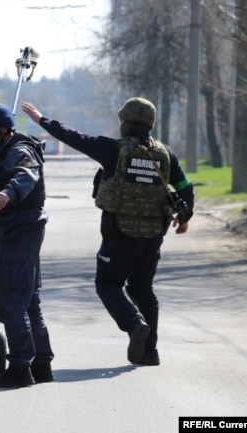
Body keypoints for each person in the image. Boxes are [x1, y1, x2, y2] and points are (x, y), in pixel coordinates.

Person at [22, 98, 194, 366]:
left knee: (108, 284)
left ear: (125, 122)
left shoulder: (113, 150)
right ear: (150, 123)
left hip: (120, 232)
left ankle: (134, 324)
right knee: (143, 288)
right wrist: (185, 218)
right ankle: (149, 352)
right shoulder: (165, 154)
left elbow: (75, 137)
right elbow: (185, 187)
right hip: (153, 234)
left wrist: (42, 120)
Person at [0, 102, 55, 388]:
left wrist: (8, 191)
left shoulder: (20, 150)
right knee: (28, 298)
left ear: (3, 129)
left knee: (11, 300)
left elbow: (27, 174)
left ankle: (20, 367)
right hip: (16, 230)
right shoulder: (3, 151)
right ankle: (41, 364)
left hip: (21, 231)